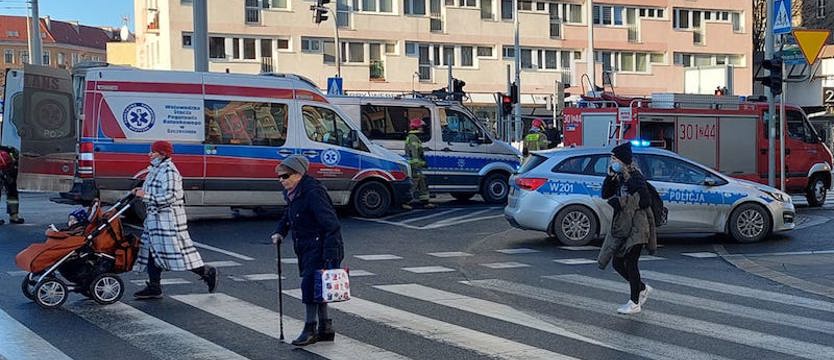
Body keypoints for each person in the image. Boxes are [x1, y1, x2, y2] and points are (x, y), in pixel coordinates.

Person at [271, 155, 345, 346]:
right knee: (319, 287)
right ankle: (325, 328)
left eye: (285, 176)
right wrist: (280, 232)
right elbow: (288, 214)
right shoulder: (294, 193)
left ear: (298, 174)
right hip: (306, 246)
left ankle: (310, 329)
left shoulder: (312, 192)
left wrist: (330, 255)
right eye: (279, 177)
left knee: (310, 286)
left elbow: (331, 224)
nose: (281, 180)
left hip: (321, 246)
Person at [131, 141, 218, 299]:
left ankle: (206, 271)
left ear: (163, 154)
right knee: (152, 250)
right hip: (155, 219)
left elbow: (171, 196)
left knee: (178, 253)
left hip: (168, 221)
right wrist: (141, 190)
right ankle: (154, 287)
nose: (150, 154)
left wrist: (146, 196)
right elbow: (152, 189)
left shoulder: (170, 172)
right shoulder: (155, 169)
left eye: (153, 152)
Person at [596, 142, 657, 315]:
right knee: (617, 262)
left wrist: (623, 201)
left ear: (623, 160)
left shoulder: (635, 177)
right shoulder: (618, 176)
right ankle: (642, 288)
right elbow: (605, 194)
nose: (611, 161)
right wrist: (610, 177)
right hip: (624, 225)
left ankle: (634, 302)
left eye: (614, 159)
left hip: (638, 226)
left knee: (631, 262)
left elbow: (645, 200)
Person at [403, 118, 435, 209]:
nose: (423, 129)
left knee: (422, 182)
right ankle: (405, 201)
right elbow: (414, 154)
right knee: (414, 183)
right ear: (417, 127)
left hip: (415, 165)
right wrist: (417, 165)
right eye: (421, 127)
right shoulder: (413, 138)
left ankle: (425, 202)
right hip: (414, 166)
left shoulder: (414, 137)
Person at [0, 145, 24, 225]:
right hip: (6, 164)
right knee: (12, 191)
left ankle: (14, 215)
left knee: (12, 191)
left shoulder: (11, 151)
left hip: (9, 165)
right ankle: (14, 216)